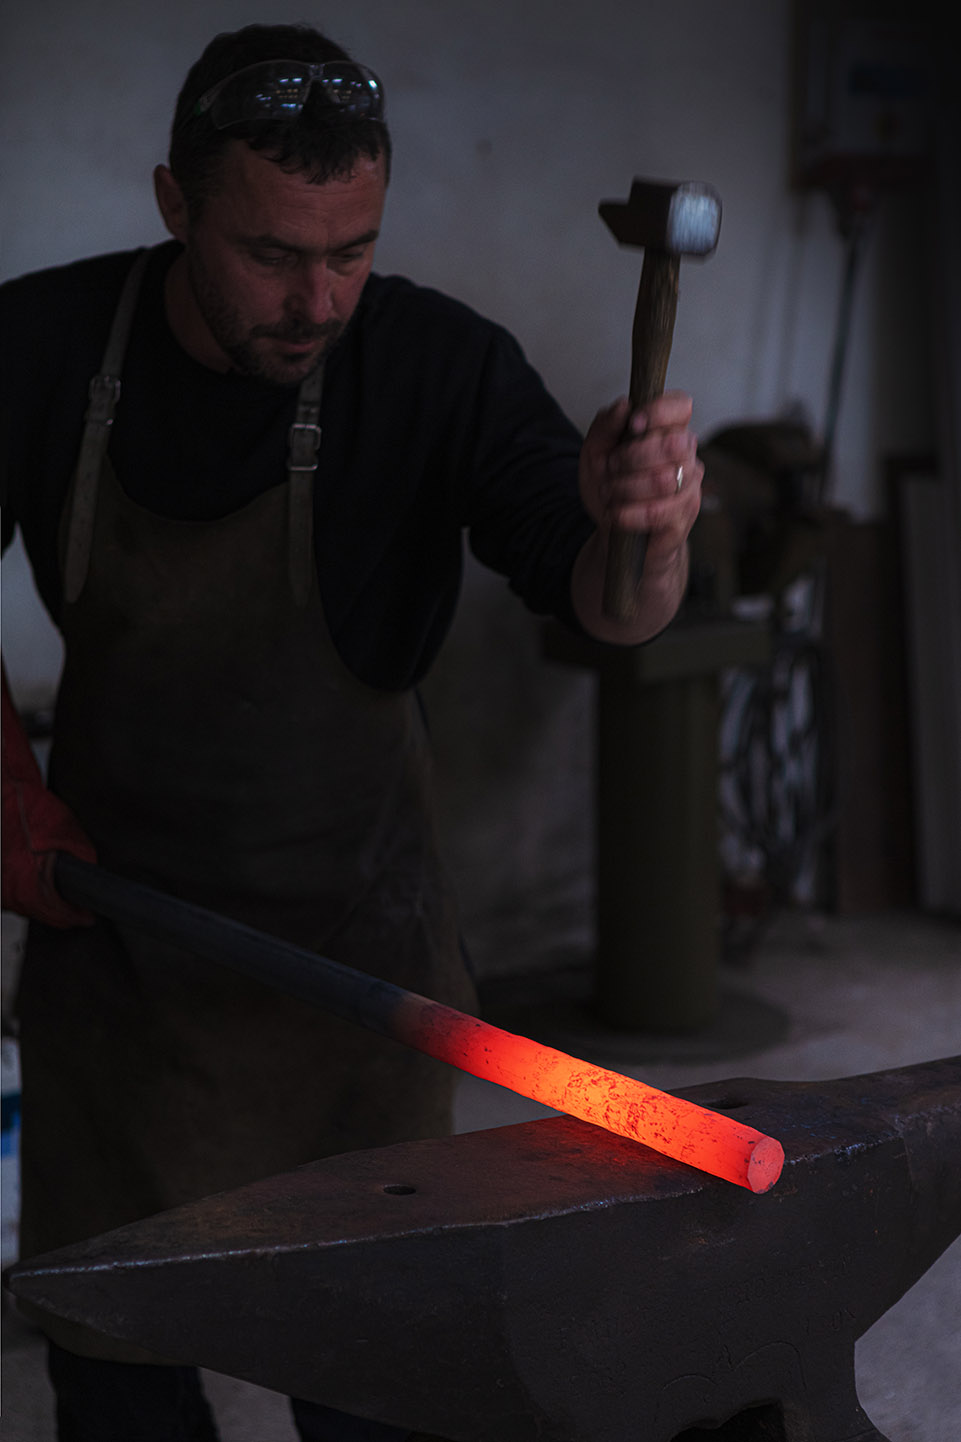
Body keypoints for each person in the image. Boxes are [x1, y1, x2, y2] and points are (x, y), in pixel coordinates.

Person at [0, 21, 703, 1442]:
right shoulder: (45, 347)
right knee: (117, 1363)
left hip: (358, 968)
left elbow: (609, 607)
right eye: (272, 253)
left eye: (353, 250)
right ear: (173, 203)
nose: (318, 298)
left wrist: (650, 533)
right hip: (119, 961)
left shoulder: (437, 365)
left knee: (379, 1372)